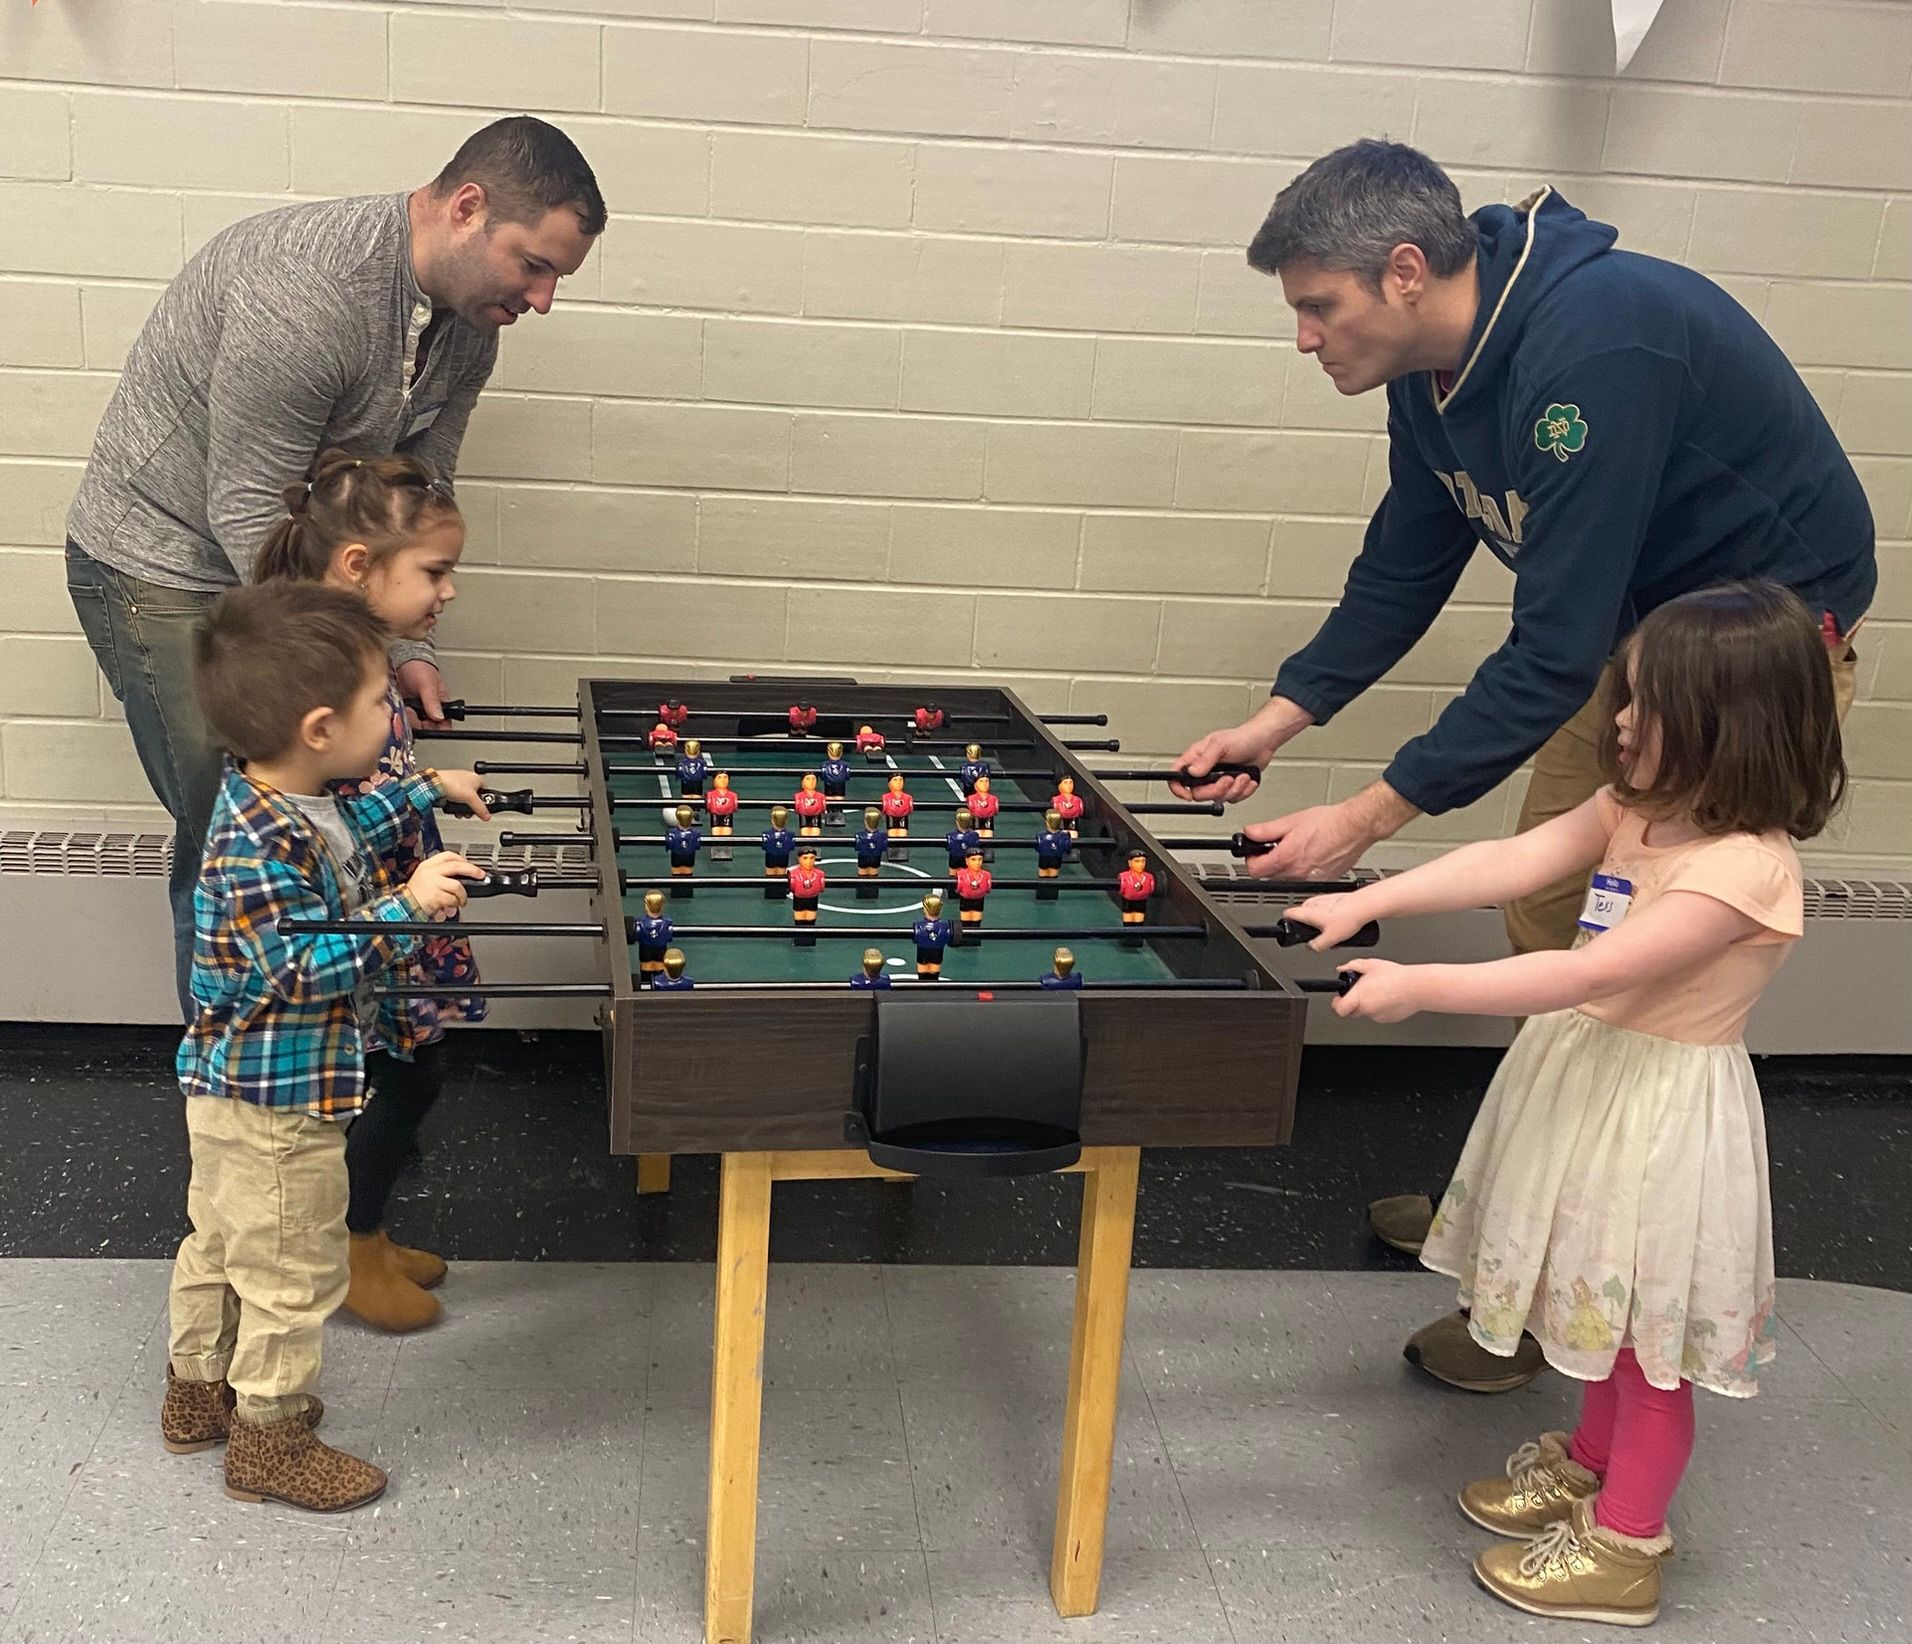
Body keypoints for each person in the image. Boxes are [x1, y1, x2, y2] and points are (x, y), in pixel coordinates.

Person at [1174, 139, 1872, 1391]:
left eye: (1314, 307)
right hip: (1632, 640)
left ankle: (1576, 1301)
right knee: (1547, 908)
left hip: (1745, 657)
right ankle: (1526, 1231)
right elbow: (1406, 560)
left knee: (1625, 969)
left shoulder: (1592, 346)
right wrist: (1281, 719)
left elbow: (1551, 649)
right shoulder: (1430, 369)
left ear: (1400, 274)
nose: (1303, 339)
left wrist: (1370, 819)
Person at [1286, 581, 1845, 1626]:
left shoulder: (1743, 871)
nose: (1620, 721)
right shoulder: (1638, 806)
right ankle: (1590, 1463)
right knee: (1591, 1298)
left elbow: (1587, 975)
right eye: (1622, 696)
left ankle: (1627, 1545)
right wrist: (1371, 895)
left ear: (1733, 724)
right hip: (1586, 1083)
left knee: (1645, 1346)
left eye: (1645, 705)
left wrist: (1421, 989)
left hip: (1658, 1117)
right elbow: (1514, 862)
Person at [65, 116, 604, 1018]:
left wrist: (408, 647)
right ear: (467, 208)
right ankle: (238, 1085)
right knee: (235, 834)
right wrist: (362, 653)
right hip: (160, 561)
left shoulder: (472, 324)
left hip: (279, 563)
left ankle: (328, 1061)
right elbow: (248, 510)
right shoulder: (306, 295)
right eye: (533, 264)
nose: (542, 298)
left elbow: (423, 498)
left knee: (310, 808)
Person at [162, 580, 486, 1511]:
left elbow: (352, 829)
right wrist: (407, 907)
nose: (390, 711)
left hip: (243, 1093)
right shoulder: (254, 847)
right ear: (318, 729)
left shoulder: (290, 799)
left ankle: (196, 1395)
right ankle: (269, 1436)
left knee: (221, 1248)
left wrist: (431, 786)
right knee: (291, 1271)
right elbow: (303, 965)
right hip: (275, 1107)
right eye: (379, 700)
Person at [252, 448, 490, 1332]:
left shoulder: (360, 654)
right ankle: (350, 1246)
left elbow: (372, 784)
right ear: (358, 567)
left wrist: (428, 786)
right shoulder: (321, 678)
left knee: (413, 1074)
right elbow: (335, 823)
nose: (449, 591)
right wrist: (411, 847)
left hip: (395, 905)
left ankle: (370, 1232)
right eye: (435, 571)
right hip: (370, 924)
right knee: (401, 1079)